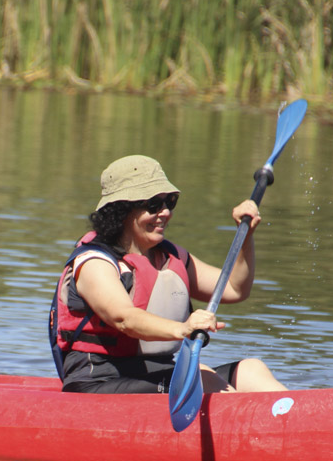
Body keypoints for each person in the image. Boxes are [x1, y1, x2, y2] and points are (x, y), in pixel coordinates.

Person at [51, 154, 285, 394]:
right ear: (121, 210)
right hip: (99, 381)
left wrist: (246, 235)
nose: (165, 213)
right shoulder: (95, 263)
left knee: (250, 370)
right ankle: (254, 426)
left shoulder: (170, 257)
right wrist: (183, 328)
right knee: (202, 379)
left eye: (169, 202)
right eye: (154, 205)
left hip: (157, 374)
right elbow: (124, 319)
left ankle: (294, 418)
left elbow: (235, 288)